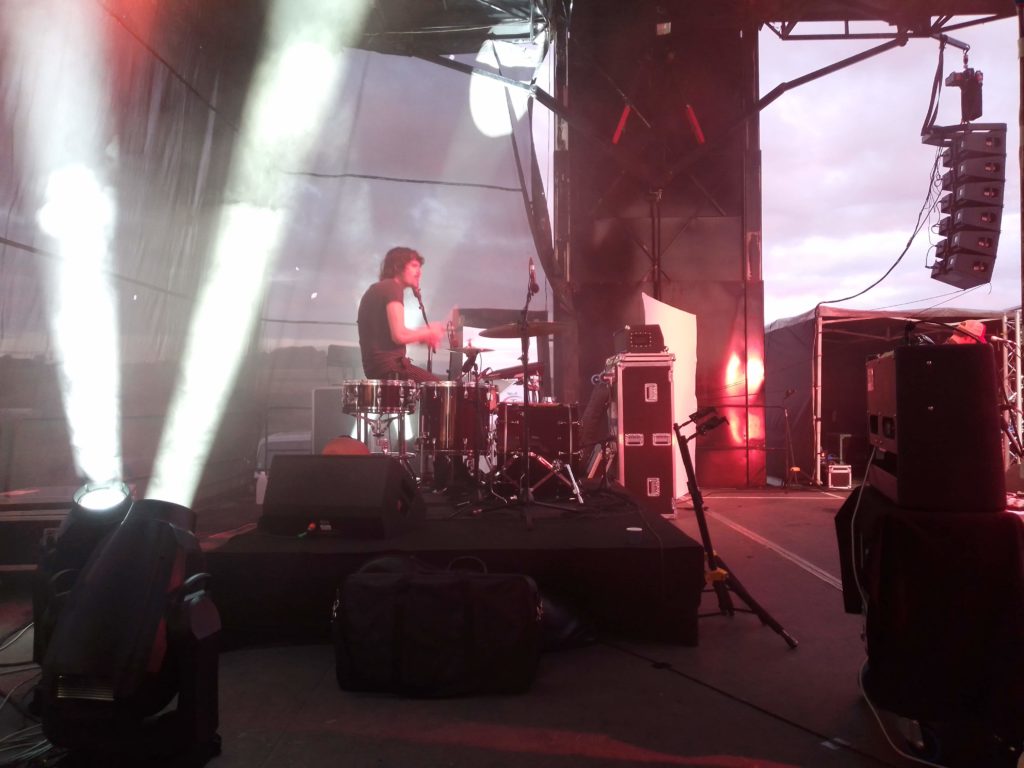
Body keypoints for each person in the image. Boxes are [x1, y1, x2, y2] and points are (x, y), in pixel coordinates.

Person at [357, 247, 444, 382]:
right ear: (397, 267)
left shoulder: (382, 288)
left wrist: (422, 336)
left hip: (380, 368)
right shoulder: (392, 287)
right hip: (391, 367)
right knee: (438, 388)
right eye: (414, 266)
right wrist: (428, 332)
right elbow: (399, 335)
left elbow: (390, 336)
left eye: (419, 267)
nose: (419, 272)